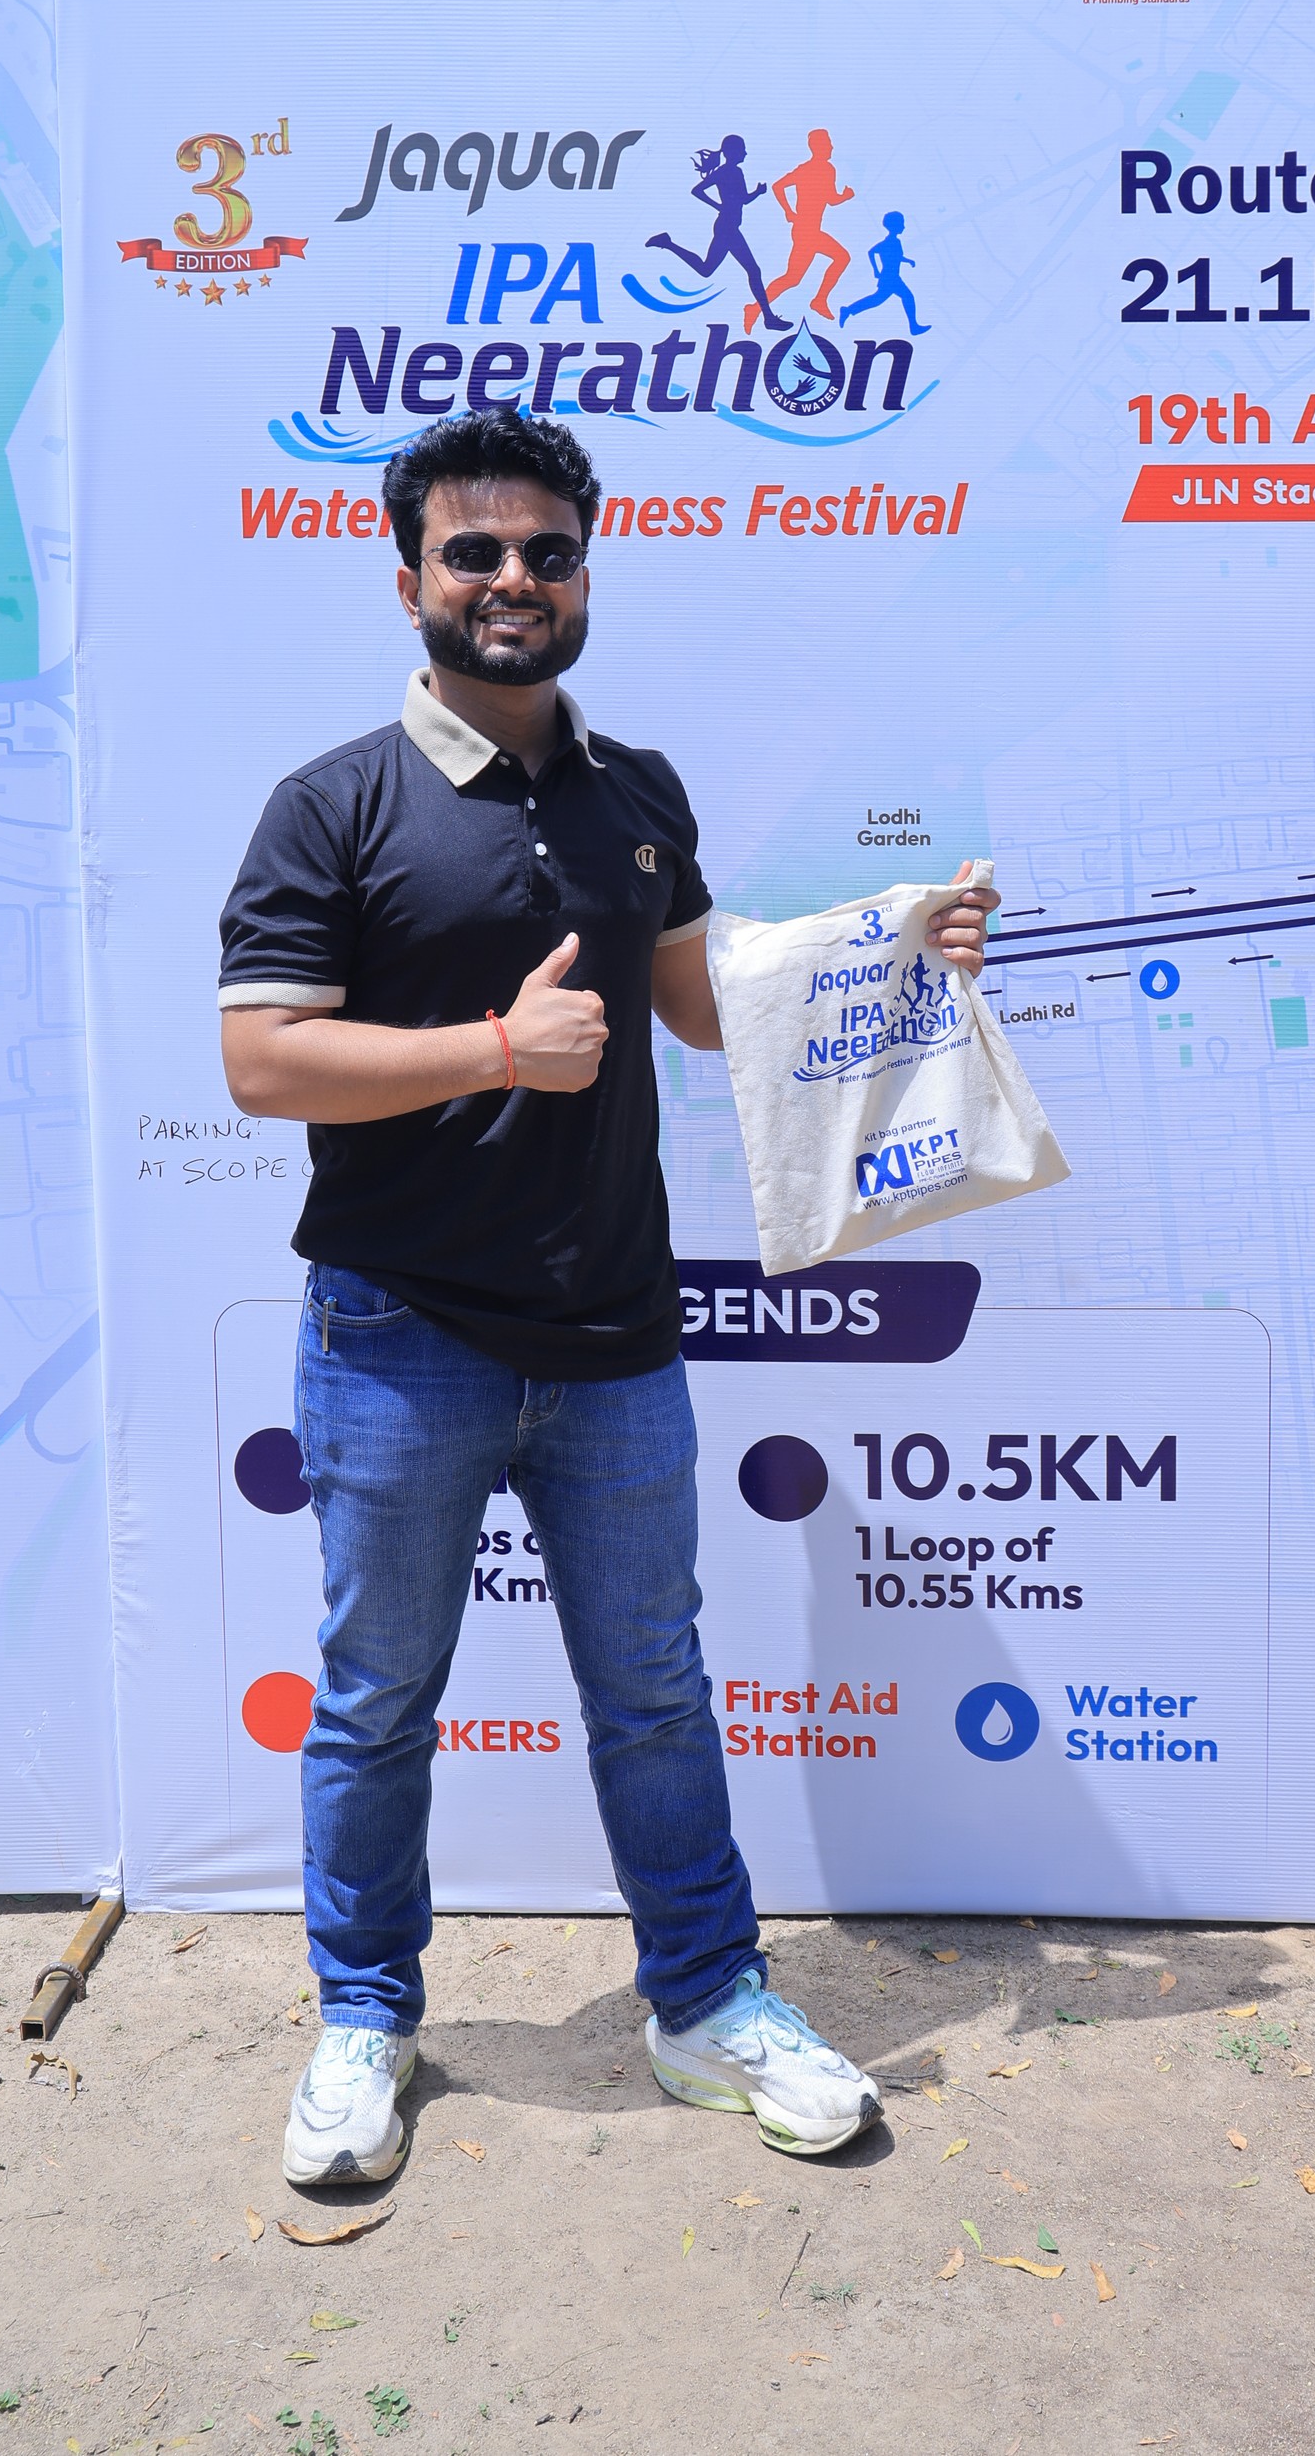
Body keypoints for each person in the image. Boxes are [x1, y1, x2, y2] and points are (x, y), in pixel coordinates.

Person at [218, 408, 996, 2185]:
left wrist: (906, 950)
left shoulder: (637, 793)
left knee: (654, 1693)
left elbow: (708, 1010)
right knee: (377, 1703)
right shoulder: (332, 804)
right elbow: (262, 1061)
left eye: (547, 553)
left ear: (585, 575)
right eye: (474, 552)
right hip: (399, 1334)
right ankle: (365, 2018)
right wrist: (492, 1049)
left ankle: (706, 2002)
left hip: (619, 1340)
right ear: (409, 579)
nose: (512, 579)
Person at [646, 136, 788, 331]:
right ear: (733, 152)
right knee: (753, 270)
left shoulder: (730, 171)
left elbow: (738, 199)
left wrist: (751, 194)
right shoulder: (730, 172)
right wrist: (725, 203)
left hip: (727, 227)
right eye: (742, 150)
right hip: (727, 229)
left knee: (707, 269)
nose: (745, 153)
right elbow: (701, 191)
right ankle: (768, 318)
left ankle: (667, 243)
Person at [755, 129, 853, 332]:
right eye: (828, 143)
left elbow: (830, 199)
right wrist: (788, 211)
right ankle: (757, 308)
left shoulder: (828, 169)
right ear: (819, 147)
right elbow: (778, 186)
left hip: (810, 231)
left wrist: (843, 197)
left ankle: (817, 300)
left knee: (794, 277)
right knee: (798, 276)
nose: (832, 147)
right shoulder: (807, 169)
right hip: (805, 232)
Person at [838, 211, 929, 336]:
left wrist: (908, 261)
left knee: (877, 300)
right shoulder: (888, 242)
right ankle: (913, 327)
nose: (904, 227)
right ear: (894, 226)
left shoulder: (896, 242)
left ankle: (848, 310)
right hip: (889, 277)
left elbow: (897, 257)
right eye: (901, 224)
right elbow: (871, 252)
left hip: (893, 276)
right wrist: (875, 270)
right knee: (905, 297)